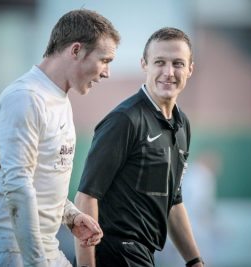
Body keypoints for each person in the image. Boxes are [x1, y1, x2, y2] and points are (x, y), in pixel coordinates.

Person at [0, 9, 120, 267]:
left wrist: (69, 215)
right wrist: (37, 262)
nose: (107, 72)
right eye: (105, 60)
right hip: (3, 248)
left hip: (41, 247)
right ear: (76, 50)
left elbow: (39, 179)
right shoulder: (25, 98)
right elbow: (18, 185)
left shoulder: (59, 100)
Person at [75, 27, 204, 267]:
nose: (168, 72)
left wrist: (194, 260)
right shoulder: (124, 120)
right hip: (114, 252)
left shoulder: (182, 124)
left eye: (177, 63)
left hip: (144, 254)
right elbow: (86, 197)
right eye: (159, 62)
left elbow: (173, 201)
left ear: (190, 69)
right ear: (144, 64)